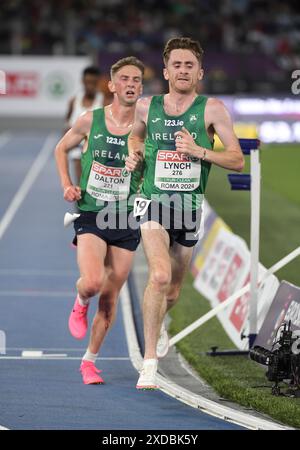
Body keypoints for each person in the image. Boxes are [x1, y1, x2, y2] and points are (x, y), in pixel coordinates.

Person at [126, 37, 245, 390]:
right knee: (159, 276)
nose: (182, 70)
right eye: (176, 65)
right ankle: (149, 364)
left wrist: (200, 151)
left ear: (200, 72)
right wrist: (135, 154)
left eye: (189, 65)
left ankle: (160, 321)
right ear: (165, 72)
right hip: (151, 201)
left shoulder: (212, 110)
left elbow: (237, 160)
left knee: (174, 290)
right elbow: (135, 138)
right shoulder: (147, 107)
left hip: (189, 208)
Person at [55, 56, 144, 385]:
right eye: (124, 79)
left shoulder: (147, 127)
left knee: (110, 298)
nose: (131, 84)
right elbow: (60, 149)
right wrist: (67, 185)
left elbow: (155, 169)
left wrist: (142, 164)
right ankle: (79, 303)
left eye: (136, 80)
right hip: (92, 212)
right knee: (92, 283)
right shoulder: (90, 120)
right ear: (112, 86)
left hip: (126, 218)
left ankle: (89, 362)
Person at [64, 66, 104, 186]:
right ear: (83, 81)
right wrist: (65, 147)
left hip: (95, 149)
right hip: (77, 148)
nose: (90, 86)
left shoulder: (103, 101)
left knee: (93, 185)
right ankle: (80, 203)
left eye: (93, 83)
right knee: (80, 183)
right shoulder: (74, 101)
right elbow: (67, 124)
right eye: (87, 82)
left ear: (98, 82)